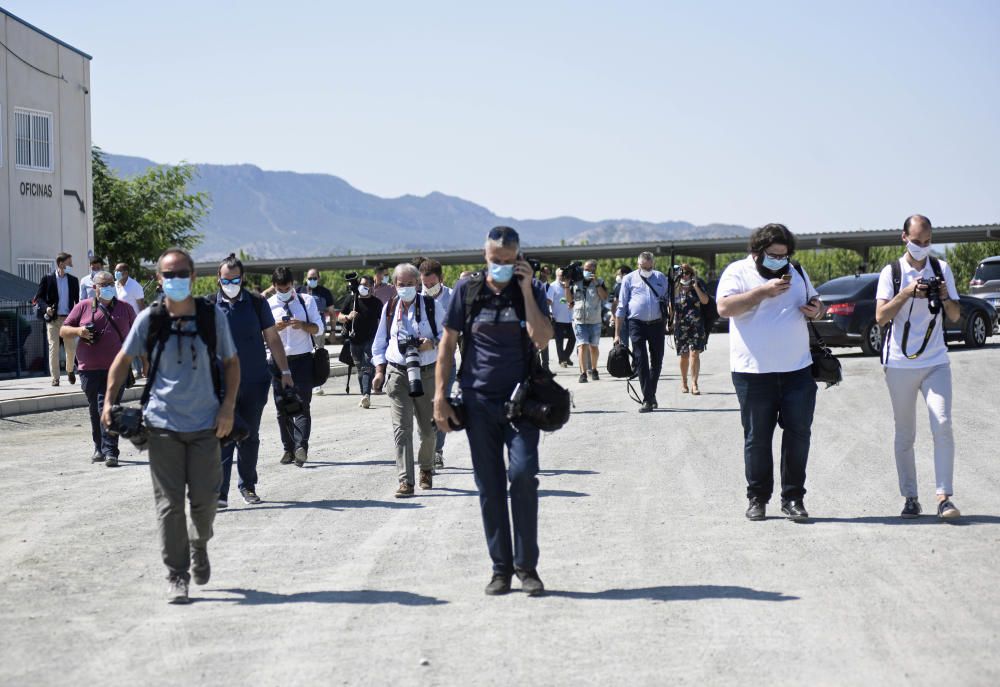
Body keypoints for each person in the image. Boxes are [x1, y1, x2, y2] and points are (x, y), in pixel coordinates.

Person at [102, 247, 240, 604]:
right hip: (162, 424)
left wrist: (227, 407)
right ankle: (177, 573)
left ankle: (200, 542)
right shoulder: (150, 319)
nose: (175, 280)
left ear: (193, 278)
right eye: (169, 274)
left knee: (206, 502)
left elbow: (231, 363)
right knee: (169, 504)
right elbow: (122, 360)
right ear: (159, 279)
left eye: (182, 274)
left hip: (207, 424)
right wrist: (108, 400)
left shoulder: (212, 317)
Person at [434, 226, 553, 597]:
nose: (500, 267)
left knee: (522, 476)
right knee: (489, 487)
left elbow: (542, 337)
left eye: (508, 261)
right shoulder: (468, 292)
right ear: (485, 256)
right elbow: (447, 344)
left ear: (518, 258)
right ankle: (500, 568)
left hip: (521, 404)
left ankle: (526, 567)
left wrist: (526, 291)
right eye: (494, 260)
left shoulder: (528, 292)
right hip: (478, 403)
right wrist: (439, 396)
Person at [717, 224, 826, 522]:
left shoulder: (798, 271)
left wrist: (817, 309)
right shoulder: (737, 272)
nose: (781, 261)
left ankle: (793, 499)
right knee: (757, 438)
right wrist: (762, 292)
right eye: (774, 255)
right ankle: (757, 498)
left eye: (785, 255)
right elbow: (724, 308)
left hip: (797, 371)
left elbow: (819, 305)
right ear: (757, 252)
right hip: (753, 373)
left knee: (798, 436)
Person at [875, 214, 962, 520]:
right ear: (904, 238)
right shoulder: (892, 272)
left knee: (942, 423)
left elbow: (953, 315)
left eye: (927, 242)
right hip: (899, 363)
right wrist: (906, 293)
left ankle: (943, 497)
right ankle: (910, 496)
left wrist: (944, 295)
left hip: (936, 360)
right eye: (917, 241)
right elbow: (881, 317)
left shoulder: (942, 269)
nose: (923, 247)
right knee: (905, 433)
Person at [213, 254, 294, 507]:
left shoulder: (258, 303)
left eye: (235, 279)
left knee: (249, 435)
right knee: (223, 436)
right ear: (218, 278)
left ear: (243, 278)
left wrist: (286, 372)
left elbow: (272, 339)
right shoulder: (208, 306)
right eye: (226, 279)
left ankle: (248, 486)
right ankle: (220, 493)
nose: (230, 283)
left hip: (254, 381)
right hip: (221, 385)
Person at [372, 264, 446, 497]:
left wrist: (431, 343)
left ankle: (426, 468)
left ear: (417, 283)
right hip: (398, 372)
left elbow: (448, 337)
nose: (404, 288)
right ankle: (406, 481)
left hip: (426, 372)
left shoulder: (432, 307)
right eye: (400, 284)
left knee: (427, 431)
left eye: (409, 284)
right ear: (394, 285)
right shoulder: (390, 307)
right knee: (402, 430)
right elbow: (379, 343)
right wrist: (379, 370)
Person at [61, 270, 136, 467]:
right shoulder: (83, 307)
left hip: (116, 369)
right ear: (95, 288)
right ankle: (99, 447)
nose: (108, 287)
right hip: (89, 369)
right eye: (104, 284)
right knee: (95, 409)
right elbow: (64, 330)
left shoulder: (126, 308)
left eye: (111, 283)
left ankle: (111, 451)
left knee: (109, 408)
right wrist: (80, 331)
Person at [268, 267, 322, 467]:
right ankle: (288, 449)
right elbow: (260, 333)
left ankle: (301, 447)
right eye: (280, 288)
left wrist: (303, 325)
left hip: (302, 360)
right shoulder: (268, 305)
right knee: (282, 407)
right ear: (273, 287)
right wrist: (275, 327)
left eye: (288, 288)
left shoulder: (306, 302)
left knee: (302, 404)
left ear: (293, 285)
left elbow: (319, 328)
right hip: (277, 361)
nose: (284, 291)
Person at [614, 252, 668, 412]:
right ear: (638, 265)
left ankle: (650, 394)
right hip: (636, 323)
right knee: (640, 360)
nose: (646, 269)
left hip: (657, 324)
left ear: (653, 264)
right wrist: (617, 333)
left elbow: (667, 300)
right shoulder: (629, 279)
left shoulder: (660, 277)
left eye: (649, 267)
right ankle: (647, 399)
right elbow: (622, 306)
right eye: (643, 267)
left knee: (657, 360)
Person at [419, 259, 454, 470]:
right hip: (423, 363)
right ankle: (427, 448)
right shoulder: (417, 299)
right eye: (425, 285)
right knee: (424, 410)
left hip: (447, 362)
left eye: (432, 284)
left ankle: (437, 451)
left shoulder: (452, 298)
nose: (428, 289)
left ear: (441, 279)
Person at [35, 252, 80, 386]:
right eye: (69, 263)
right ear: (61, 264)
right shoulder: (47, 279)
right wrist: (46, 308)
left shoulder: (73, 280)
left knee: (71, 349)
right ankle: (55, 378)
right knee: (53, 347)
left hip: (68, 320)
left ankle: (70, 370)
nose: (71, 265)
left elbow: (77, 301)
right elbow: (39, 298)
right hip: (53, 319)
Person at [338, 275, 382, 408]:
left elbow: (383, 322)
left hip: (371, 339)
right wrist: (347, 317)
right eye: (361, 284)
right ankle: (364, 395)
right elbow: (339, 316)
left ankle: (366, 395)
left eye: (366, 284)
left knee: (367, 367)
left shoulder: (377, 303)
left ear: (372, 287)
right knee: (360, 369)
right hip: (354, 339)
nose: (363, 287)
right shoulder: (352, 299)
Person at [565, 259, 607, 383]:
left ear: (594, 270)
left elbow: (604, 297)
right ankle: (583, 373)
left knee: (593, 347)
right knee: (582, 346)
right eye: (585, 269)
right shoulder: (576, 283)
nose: (586, 271)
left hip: (594, 320)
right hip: (579, 320)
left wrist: (596, 283)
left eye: (589, 269)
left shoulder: (600, 282)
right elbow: (569, 300)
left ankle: (594, 369)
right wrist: (567, 285)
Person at [672, 263, 711, 395]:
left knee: (695, 353)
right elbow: (670, 304)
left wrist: (696, 287)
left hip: (696, 324)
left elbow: (705, 301)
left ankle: (694, 383)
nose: (684, 275)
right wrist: (669, 320)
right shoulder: (675, 286)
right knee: (684, 355)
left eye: (687, 272)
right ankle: (684, 382)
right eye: (682, 273)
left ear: (691, 274)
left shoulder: (698, 284)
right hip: (680, 325)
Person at [297, 269, 335, 395]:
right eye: (309, 278)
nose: (311, 280)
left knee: (318, 356)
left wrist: (333, 332)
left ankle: (317, 384)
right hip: (302, 329)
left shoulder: (325, 293)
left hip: (318, 329)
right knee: (304, 355)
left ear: (319, 278)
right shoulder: (299, 291)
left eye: (314, 278)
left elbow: (332, 313)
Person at [549, 269, 575, 367]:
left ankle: (565, 356)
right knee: (559, 341)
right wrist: (551, 313)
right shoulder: (552, 286)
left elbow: (573, 299)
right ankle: (562, 360)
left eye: (564, 275)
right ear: (556, 275)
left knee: (573, 338)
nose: (563, 277)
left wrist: (573, 304)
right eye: (561, 275)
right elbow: (549, 301)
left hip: (569, 318)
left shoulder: (570, 285)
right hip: (558, 318)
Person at [610, 265, 632, 350]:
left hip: (622, 317)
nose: (617, 276)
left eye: (618, 274)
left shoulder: (619, 286)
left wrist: (613, 316)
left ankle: (624, 362)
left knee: (623, 344)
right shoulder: (619, 286)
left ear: (625, 274)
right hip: (631, 316)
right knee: (635, 343)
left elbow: (615, 303)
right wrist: (613, 316)